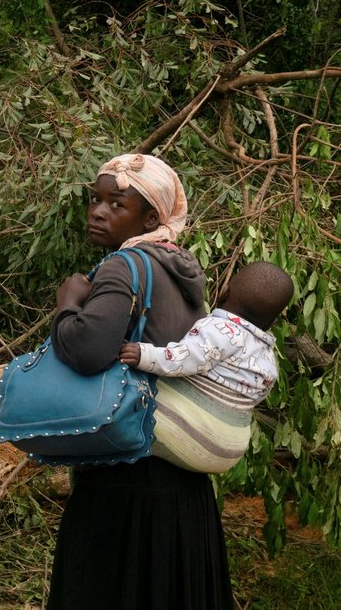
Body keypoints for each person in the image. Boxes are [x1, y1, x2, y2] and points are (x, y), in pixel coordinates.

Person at [46, 153, 234, 609]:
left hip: (125, 485)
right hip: (181, 484)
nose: (98, 211)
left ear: (151, 217)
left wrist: (68, 305)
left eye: (116, 204)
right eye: (95, 200)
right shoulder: (182, 269)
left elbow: (88, 351)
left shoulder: (123, 267)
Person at [119, 261, 293, 473]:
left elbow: (182, 359)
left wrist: (142, 354)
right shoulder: (268, 357)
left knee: (120, 408)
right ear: (273, 322)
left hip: (188, 437)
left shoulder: (219, 328)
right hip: (229, 452)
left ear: (224, 292)